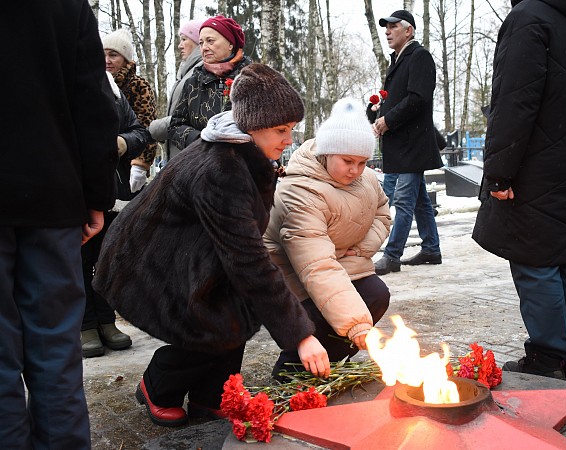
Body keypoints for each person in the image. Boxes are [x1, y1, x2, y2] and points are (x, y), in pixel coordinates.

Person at [92, 64, 330, 427]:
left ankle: (211, 396)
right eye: (281, 130)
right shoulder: (222, 169)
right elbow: (248, 259)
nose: (288, 138)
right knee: (210, 323)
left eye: (292, 130)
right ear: (252, 125)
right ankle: (158, 384)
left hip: (192, 254)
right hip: (150, 263)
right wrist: (300, 335)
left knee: (236, 309)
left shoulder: (244, 154)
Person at [0, 2, 119, 447]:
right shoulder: (66, 7)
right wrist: (95, 196)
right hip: (51, 192)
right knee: (55, 347)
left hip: (52, 199)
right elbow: (93, 103)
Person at [472, 0, 566, 385]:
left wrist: (498, 173)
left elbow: (514, 101)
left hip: (535, 164)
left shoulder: (528, 18)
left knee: (535, 261)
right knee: (565, 259)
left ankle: (548, 359)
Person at [264, 98, 391, 379]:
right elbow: (317, 266)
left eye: (362, 162)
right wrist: (357, 327)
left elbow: (382, 213)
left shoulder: (366, 179)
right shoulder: (301, 191)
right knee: (319, 316)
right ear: (327, 152)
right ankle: (291, 372)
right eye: (347, 161)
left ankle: (327, 363)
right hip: (289, 271)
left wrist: (360, 250)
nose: (356, 170)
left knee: (376, 294)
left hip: (336, 261)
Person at [80, 72, 152, 358]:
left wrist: (123, 143)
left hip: (111, 192)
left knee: (105, 260)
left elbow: (140, 131)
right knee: (80, 262)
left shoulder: (112, 89)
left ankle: (107, 321)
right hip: (77, 191)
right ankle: (85, 324)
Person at [367, 10, 444, 275]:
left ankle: (392, 255)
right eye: (385, 27)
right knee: (419, 199)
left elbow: (418, 98)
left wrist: (388, 120)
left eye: (392, 27)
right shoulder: (398, 60)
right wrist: (376, 111)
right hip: (403, 144)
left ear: (408, 31)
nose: (387, 31)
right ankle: (431, 249)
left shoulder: (419, 57)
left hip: (414, 144)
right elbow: (399, 98)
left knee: (403, 200)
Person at [169, 15, 251, 151]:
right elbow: (175, 126)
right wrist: (201, 140)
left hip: (245, 164)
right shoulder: (193, 82)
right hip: (202, 165)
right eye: (201, 43)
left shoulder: (252, 79)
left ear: (231, 43)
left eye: (210, 41)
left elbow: (268, 125)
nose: (204, 48)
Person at [102, 28, 158, 193]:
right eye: (103, 54)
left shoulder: (138, 86)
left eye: (113, 55)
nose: (107, 60)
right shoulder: (93, 84)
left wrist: (140, 165)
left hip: (127, 166)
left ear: (126, 59)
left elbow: (147, 128)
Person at [149, 18, 204, 161]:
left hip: (189, 159)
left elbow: (192, 115)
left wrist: (154, 128)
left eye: (184, 39)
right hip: (178, 156)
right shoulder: (187, 72)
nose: (180, 46)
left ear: (198, 41)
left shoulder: (200, 72)